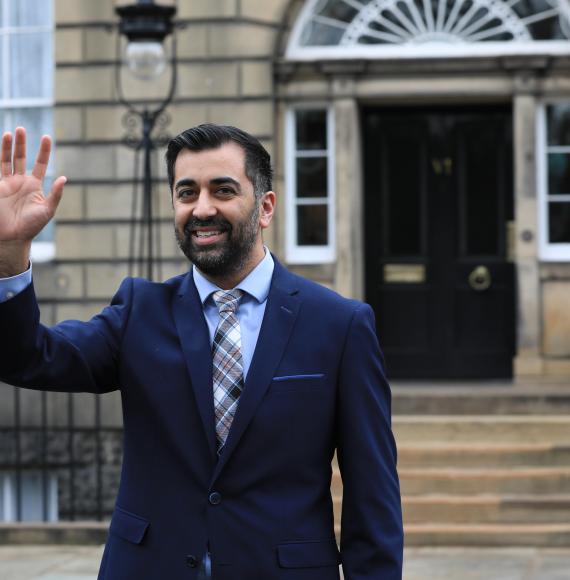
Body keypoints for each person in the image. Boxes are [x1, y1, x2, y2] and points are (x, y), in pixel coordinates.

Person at [0, 125, 403, 579]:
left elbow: (372, 497)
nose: (202, 208)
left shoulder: (339, 325)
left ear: (265, 207)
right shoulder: (139, 311)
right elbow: (29, 357)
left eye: (223, 190)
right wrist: (10, 258)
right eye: (186, 192)